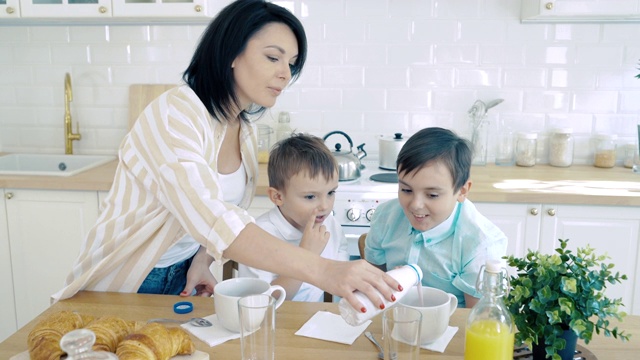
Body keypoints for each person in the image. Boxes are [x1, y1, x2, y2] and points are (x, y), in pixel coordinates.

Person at [52, 0, 399, 312]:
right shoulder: (176, 114)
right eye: (273, 57)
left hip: (185, 275)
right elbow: (210, 214)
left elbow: (223, 212)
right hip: (129, 278)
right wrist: (323, 269)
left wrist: (201, 260)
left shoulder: (242, 130)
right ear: (231, 52)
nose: (285, 73)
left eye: (291, 64)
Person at [363, 127, 507, 308]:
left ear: (462, 191)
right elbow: (372, 288)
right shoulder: (385, 217)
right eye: (406, 190)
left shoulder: (480, 244)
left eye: (432, 195)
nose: (415, 204)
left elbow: (474, 318)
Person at [238, 133, 349, 302]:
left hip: (314, 320)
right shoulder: (258, 236)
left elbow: (341, 279)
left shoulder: (331, 226)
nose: (325, 206)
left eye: (331, 193)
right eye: (311, 197)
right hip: (274, 323)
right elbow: (263, 303)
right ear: (277, 197)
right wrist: (306, 256)